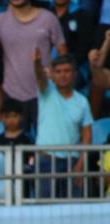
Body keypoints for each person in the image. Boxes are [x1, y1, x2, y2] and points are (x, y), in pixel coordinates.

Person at [0, 0, 67, 133]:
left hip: (44, 92)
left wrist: (56, 77)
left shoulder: (48, 18)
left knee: (45, 144)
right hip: (12, 93)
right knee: (15, 147)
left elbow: (63, 53)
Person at [33, 51, 92, 199]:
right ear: (52, 74)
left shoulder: (82, 101)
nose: (62, 75)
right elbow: (40, 78)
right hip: (47, 160)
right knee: (45, 210)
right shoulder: (46, 91)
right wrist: (36, 64)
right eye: (58, 71)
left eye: (67, 71)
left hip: (72, 161)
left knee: (73, 211)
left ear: (74, 73)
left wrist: (80, 164)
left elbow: (87, 135)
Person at [0, 99, 33, 200]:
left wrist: (26, 167)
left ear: (21, 117)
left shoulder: (26, 140)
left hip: (21, 185)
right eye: (7, 117)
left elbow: (31, 159)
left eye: (14, 116)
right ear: (2, 118)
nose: (11, 120)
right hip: (0, 187)